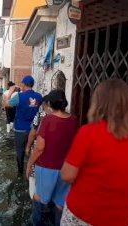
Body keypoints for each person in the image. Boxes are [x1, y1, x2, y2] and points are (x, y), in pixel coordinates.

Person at [61, 79, 128, 226]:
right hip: (121, 218)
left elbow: (67, 175)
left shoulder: (88, 133)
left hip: (82, 214)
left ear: (97, 103)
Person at [26, 89, 78, 226]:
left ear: (49, 103)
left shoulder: (48, 119)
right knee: (61, 202)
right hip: (66, 167)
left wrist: (29, 164)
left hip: (46, 167)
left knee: (39, 197)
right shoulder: (73, 120)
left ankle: (38, 223)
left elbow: (39, 147)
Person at [5, 75, 42, 176]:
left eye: (22, 84)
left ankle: (20, 172)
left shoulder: (19, 96)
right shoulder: (39, 96)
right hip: (34, 130)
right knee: (33, 150)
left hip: (20, 129)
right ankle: (31, 171)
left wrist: (10, 92)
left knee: (20, 152)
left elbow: (6, 104)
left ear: (24, 84)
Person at [25, 95, 52, 200]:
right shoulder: (66, 117)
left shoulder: (41, 115)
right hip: (53, 155)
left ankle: (34, 197)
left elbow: (33, 133)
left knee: (33, 173)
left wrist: (28, 146)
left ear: (44, 104)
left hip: (39, 149)